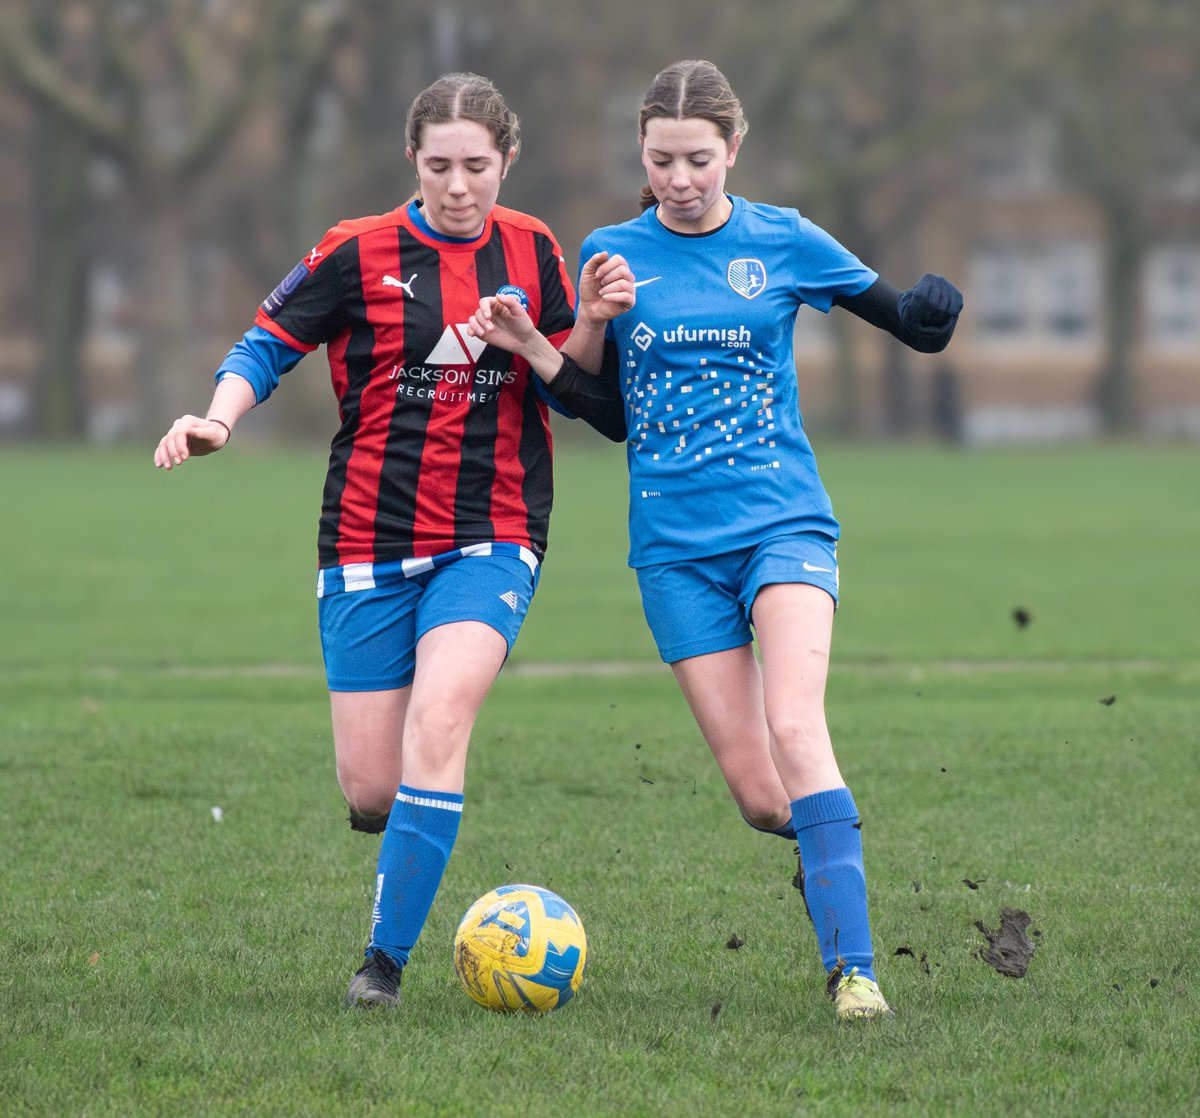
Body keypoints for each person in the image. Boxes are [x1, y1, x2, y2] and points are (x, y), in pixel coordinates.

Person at [468, 60, 962, 1022]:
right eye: (661, 161)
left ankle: (853, 973)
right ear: (640, 156)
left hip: (783, 521)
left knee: (796, 726)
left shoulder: (784, 240)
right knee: (761, 796)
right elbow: (602, 409)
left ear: (734, 150)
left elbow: (907, 322)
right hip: (673, 550)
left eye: (698, 159)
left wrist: (933, 314)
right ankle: (831, 840)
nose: (681, 179)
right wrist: (557, 334)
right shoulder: (610, 253)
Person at [153, 72, 635, 1009]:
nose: (459, 186)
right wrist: (219, 418)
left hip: (493, 531)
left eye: (478, 166)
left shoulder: (536, 249)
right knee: (372, 789)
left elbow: (583, 392)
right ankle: (409, 818)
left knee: (441, 720)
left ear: (507, 161)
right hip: (367, 537)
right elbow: (263, 344)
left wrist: (590, 326)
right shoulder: (354, 249)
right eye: (440, 165)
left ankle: (383, 967)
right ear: (412, 159)